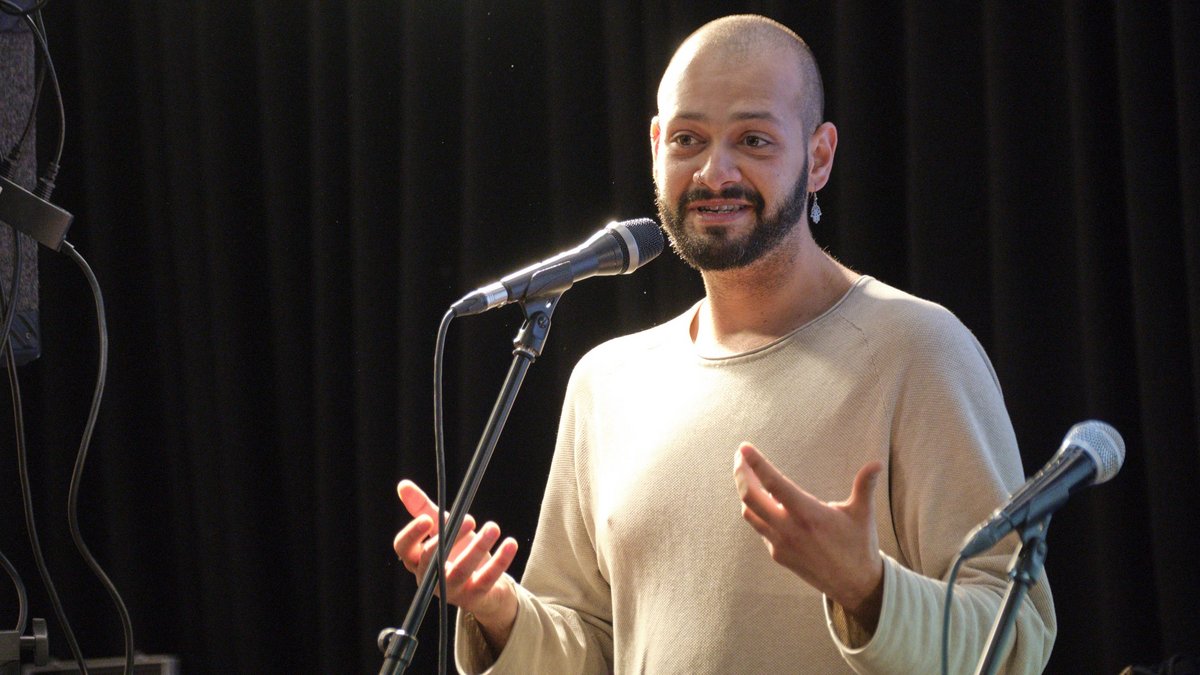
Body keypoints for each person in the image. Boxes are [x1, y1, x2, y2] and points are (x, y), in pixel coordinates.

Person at [394, 14, 1056, 674]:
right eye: (688, 138)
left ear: (819, 156)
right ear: (656, 147)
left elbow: (1017, 632)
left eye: (754, 139)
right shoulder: (608, 382)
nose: (715, 171)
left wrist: (869, 589)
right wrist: (501, 610)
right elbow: (593, 647)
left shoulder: (918, 349)